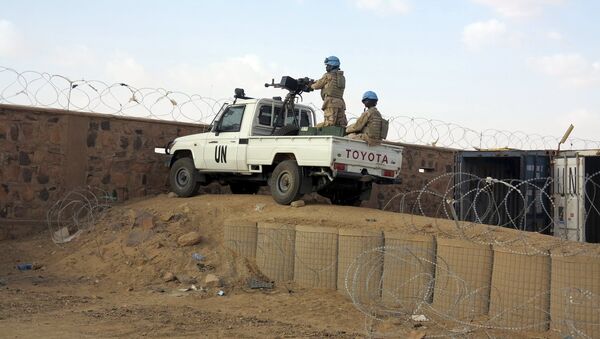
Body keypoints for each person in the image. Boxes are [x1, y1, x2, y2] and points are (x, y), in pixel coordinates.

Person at [310, 56, 348, 127]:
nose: (326, 67)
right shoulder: (342, 78)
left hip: (330, 103)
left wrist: (310, 85)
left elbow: (317, 86)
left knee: (328, 124)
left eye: (327, 65)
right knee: (340, 125)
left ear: (332, 65)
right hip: (340, 103)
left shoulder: (328, 76)